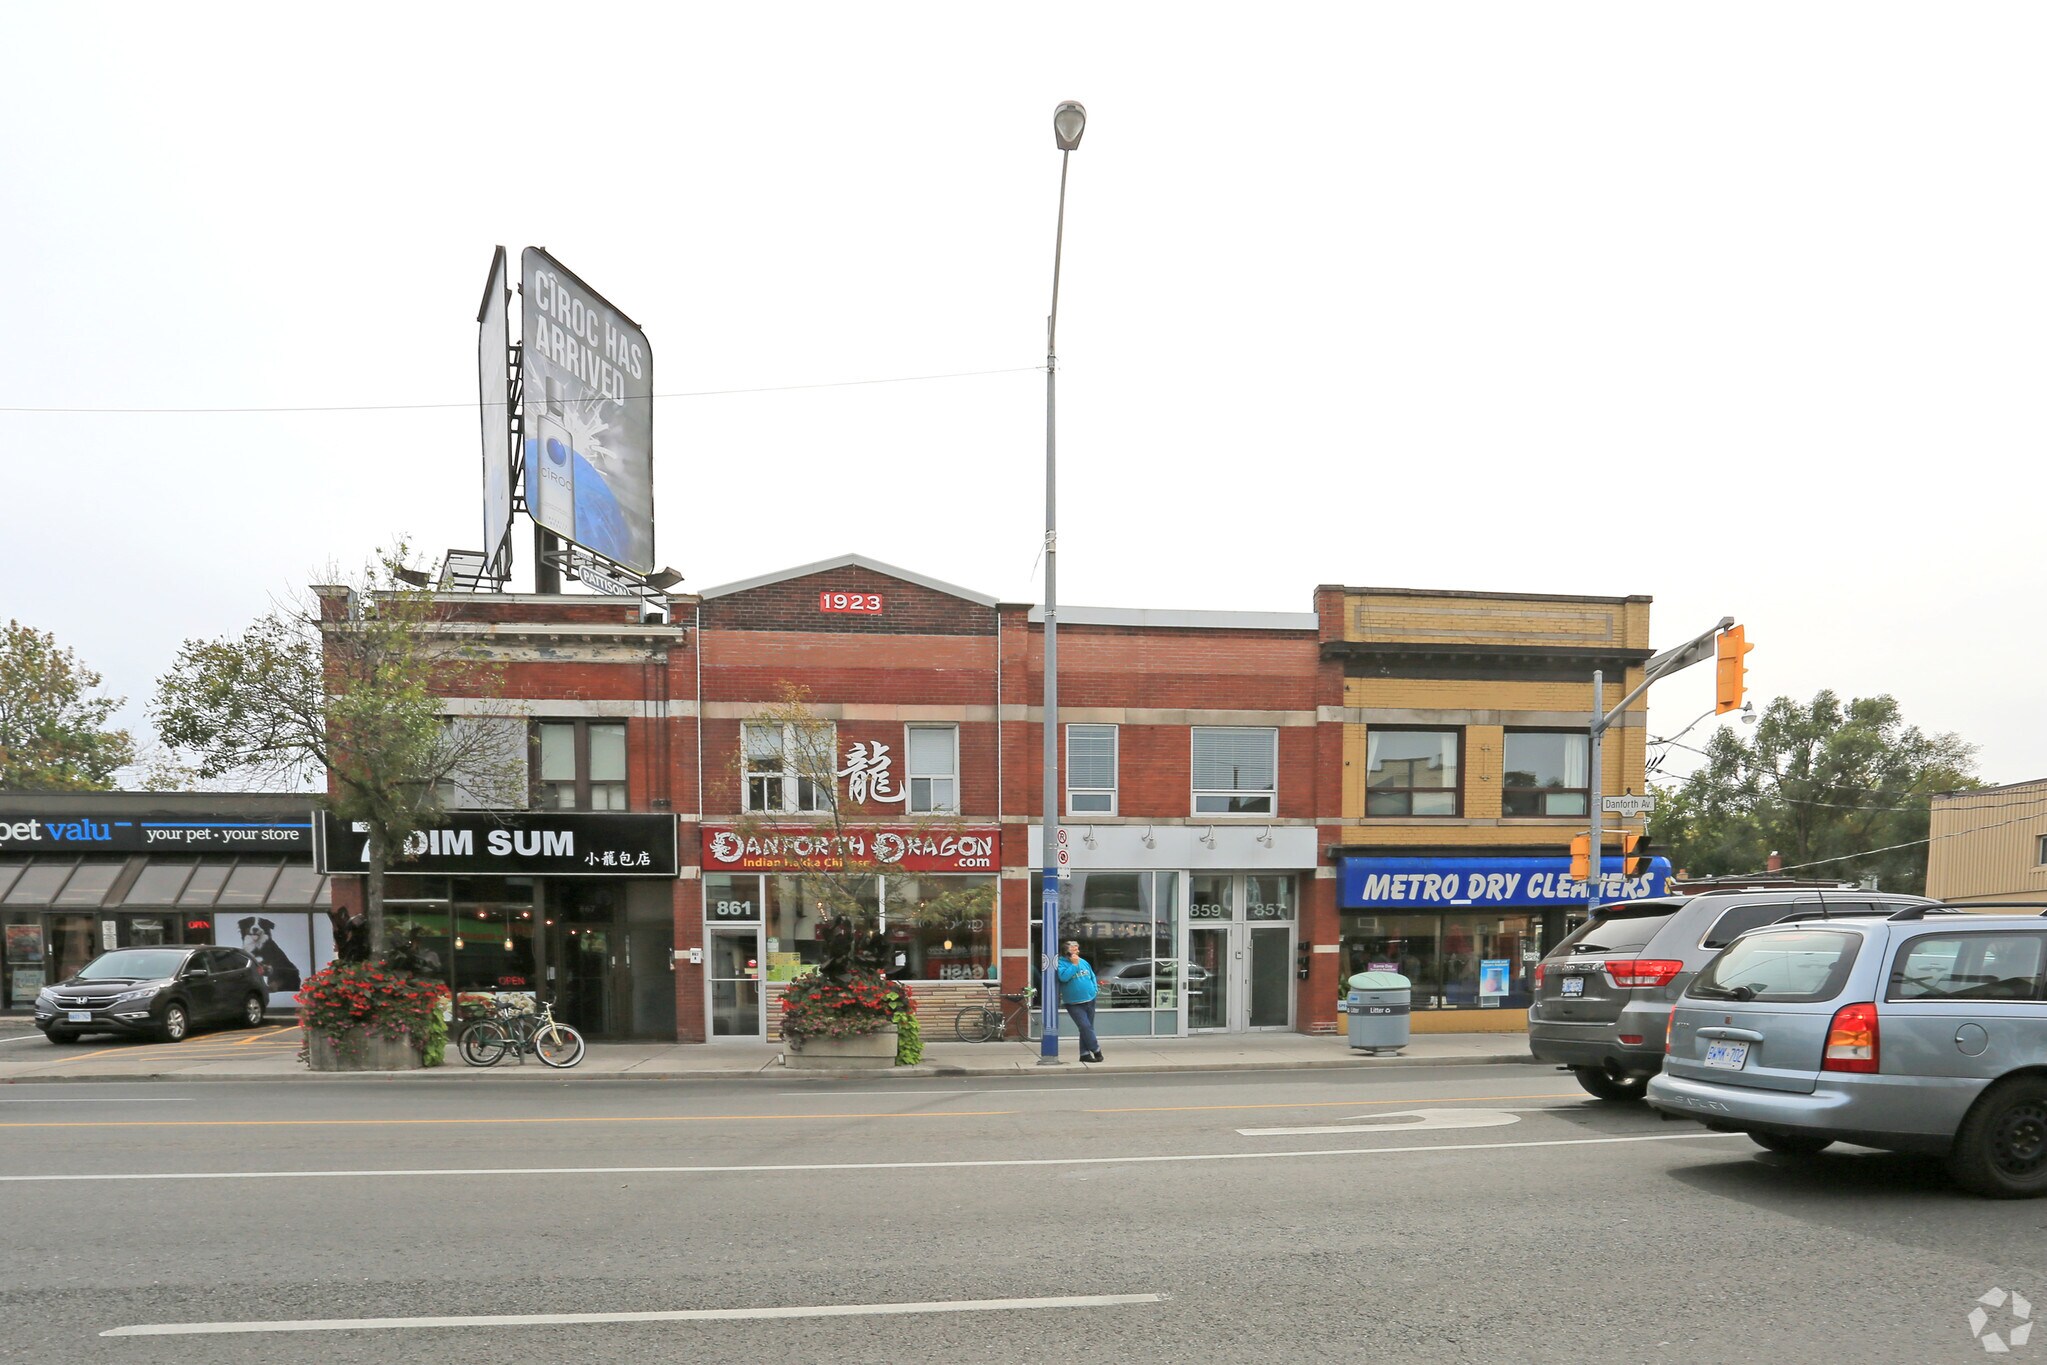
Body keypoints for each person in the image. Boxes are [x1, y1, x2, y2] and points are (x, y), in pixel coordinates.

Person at [1055, 939, 1103, 1063]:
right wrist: (1074, 965)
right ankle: (1096, 1049)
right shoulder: (1061, 963)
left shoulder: (1084, 962)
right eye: (1074, 950)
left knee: (1087, 1028)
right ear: (1067, 952)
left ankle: (1084, 1054)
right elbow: (1063, 977)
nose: (1077, 951)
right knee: (1085, 1026)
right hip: (1073, 1003)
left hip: (1090, 999)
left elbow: (1092, 975)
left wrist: (1094, 989)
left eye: (1077, 949)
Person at [239, 916, 302, 995]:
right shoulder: (246, 949)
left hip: (283, 986)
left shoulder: (270, 950)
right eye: (251, 924)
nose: (255, 928)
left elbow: (281, 970)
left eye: (260, 925)